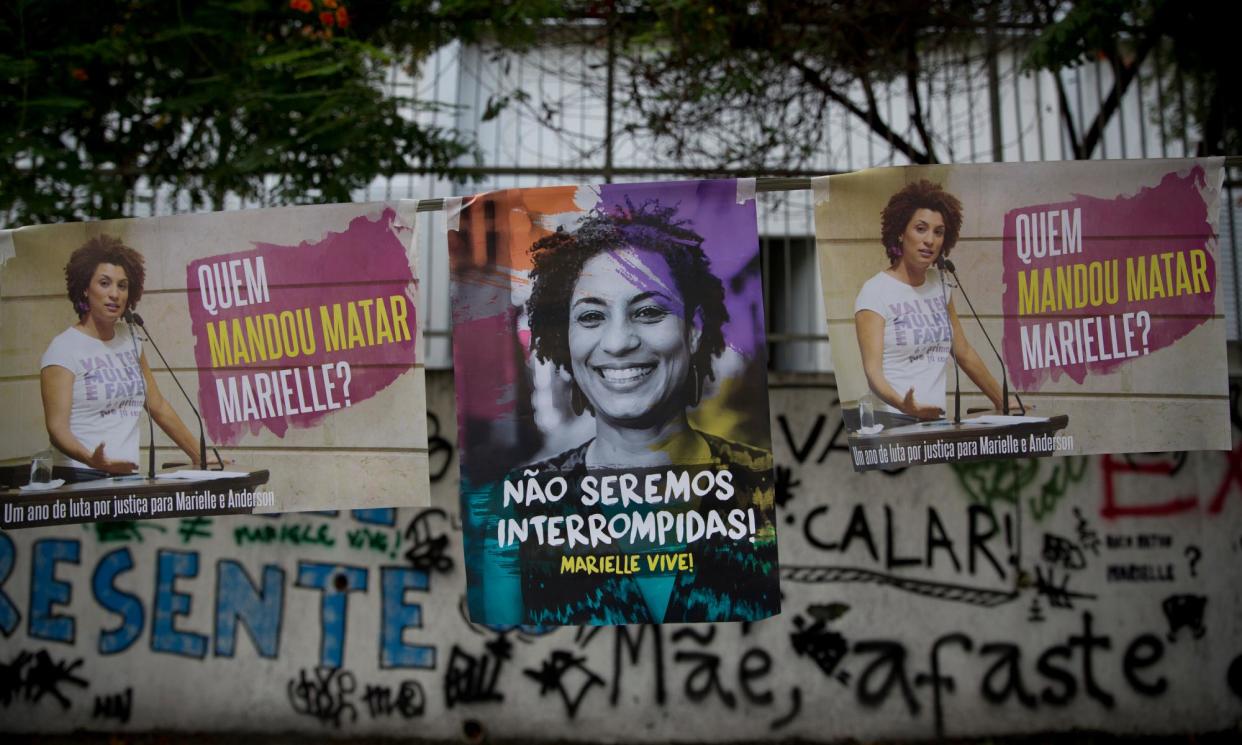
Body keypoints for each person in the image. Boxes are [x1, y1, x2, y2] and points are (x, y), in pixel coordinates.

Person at [501, 199, 778, 625]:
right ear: (564, 340)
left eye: (648, 311)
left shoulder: (763, 485)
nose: (617, 342)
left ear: (694, 328)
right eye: (591, 316)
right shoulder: (518, 506)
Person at [40, 235, 211, 482]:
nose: (115, 294)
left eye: (122, 286)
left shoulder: (130, 339)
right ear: (85, 288)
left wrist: (200, 456)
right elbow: (57, 429)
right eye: (105, 283)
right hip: (81, 475)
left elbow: (158, 406)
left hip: (127, 478)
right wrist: (91, 458)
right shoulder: (63, 349)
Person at [853, 180, 1018, 430]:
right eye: (921, 229)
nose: (929, 240)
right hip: (893, 421)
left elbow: (963, 352)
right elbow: (873, 372)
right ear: (900, 232)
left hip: (936, 421)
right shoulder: (875, 292)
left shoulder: (940, 284)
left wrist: (1004, 402)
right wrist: (903, 404)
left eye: (938, 232)